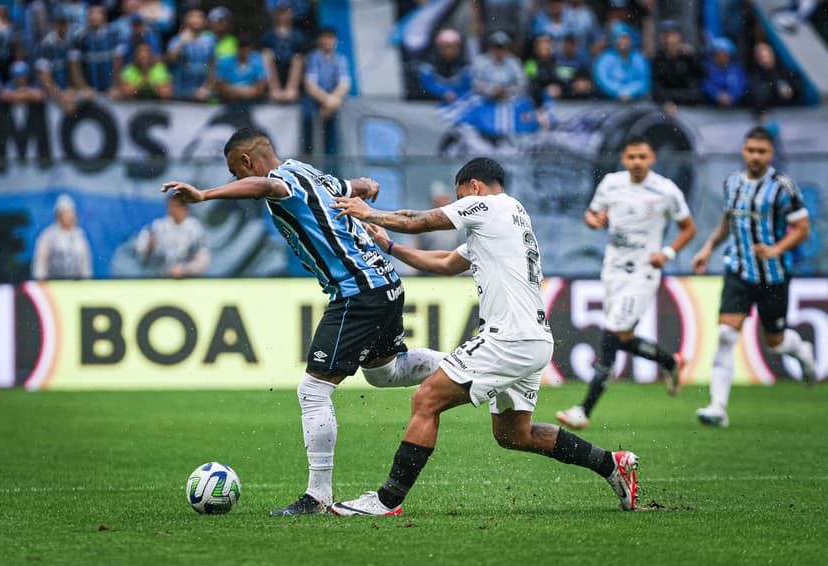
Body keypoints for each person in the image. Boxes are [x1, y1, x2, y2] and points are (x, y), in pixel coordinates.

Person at [328, 157, 639, 516]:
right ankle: (611, 464)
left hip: (508, 338)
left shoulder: (490, 205)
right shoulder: (506, 221)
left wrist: (369, 213)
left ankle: (387, 500)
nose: (458, 207)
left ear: (474, 187)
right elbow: (445, 263)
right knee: (514, 434)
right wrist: (391, 247)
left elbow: (420, 220)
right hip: (533, 339)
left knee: (426, 400)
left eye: (459, 198)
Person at [162, 127, 446, 515]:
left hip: (357, 291)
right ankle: (467, 366)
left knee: (312, 391)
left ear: (247, 161)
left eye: (236, 172)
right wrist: (367, 185)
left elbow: (266, 187)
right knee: (384, 373)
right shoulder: (310, 172)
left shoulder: (282, 181)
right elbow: (354, 184)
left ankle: (317, 497)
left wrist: (205, 193)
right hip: (384, 283)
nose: (238, 180)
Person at [555, 136, 696, 430]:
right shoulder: (611, 183)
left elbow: (688, 228)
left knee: (612, 334)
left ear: (652, 158)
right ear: (623, 157)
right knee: (623, 337)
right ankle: (670, 362)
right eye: (631, 157)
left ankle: (583, 410)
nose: (637, 162)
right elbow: (592, 214)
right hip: (613, 270)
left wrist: (667, 253)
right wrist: (594, 221)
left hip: (643, 273)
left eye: (642, 157)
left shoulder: (666, 190)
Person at [692, 127, 817, 428]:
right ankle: (718, 408)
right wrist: (708, 248)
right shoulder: (732, 183)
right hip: (738, 270)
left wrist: (776, 249)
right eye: (750, 150)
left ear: (771, 154)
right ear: (743, 151)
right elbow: (728, 220)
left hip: (772, 276)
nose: (755, 157)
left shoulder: (783, 187)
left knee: (775, 342)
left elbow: (802, 230)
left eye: (761, 151)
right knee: (725, 335)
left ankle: (801, 350)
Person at [302, 27, 351, 158]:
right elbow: (310, 85)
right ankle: (309, 159)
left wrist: (332, 102)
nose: (327, 41)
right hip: (316, 101)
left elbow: (344, 84)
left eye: (330, 38)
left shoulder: (340, 59)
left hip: (331, 101)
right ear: (319, 40)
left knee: (333, 137)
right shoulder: (313, 58)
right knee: (310, 130)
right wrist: (327, 100)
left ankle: (332, 164)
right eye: (325, 37)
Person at [135, 195, 210, 278]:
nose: (171, 210)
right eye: (170, 206)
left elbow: (203, 259)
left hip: (188, 279)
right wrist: (148, 248)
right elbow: (140, 255)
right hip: (160, 279)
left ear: (184, 208)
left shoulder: (195, 228)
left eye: (175, 206)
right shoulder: (157, 227)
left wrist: (185, 270)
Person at [32, 194, 93, 280]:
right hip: (53, 286)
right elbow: (40, 265)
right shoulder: (48, 236)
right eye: (66, 213)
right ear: (59, 214)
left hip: (76, 287)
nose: (69, 216)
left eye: (71, 212)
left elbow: (85, 265)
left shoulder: (80, 236)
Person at [651, 20, 702, 115]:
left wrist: (671, 98)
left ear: (679, 37)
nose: (669, 40)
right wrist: (666, 101)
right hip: (664, 109)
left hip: (690, 110)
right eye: (665, 36)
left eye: (672, 35)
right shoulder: (658, 59)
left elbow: (695, 92)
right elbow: (656, 87)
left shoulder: (689, 58)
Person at [165, 8, 215, 101]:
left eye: (200, 16)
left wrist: (207, 87)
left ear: (204, 21)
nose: (196, 19)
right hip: (179, 93)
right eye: (192, 16)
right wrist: (182, 43)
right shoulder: (176, 40)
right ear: (186, 20)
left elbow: (213, 66)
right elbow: (170, 60)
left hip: (202, 94)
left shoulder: (210, 40)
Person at [592, 23, 650, 102]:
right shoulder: (604, 58)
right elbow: (602, 80)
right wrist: (619, 92)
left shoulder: (639, 58)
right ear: (614, 39)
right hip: (608, 103)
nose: (623, 41)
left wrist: (629, 92)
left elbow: (644, 81)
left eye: (626, 38)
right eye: (620, 37)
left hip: (635, 103)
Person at [702, 37, 746, 108]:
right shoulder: (707, 67)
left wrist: (731, 96)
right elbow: (705, 84)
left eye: (725, 54)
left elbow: (741, 85)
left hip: (734, 109)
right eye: (719, 54)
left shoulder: (736, 69)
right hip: (711, 108)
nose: (722, 57)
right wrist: (717, 94)